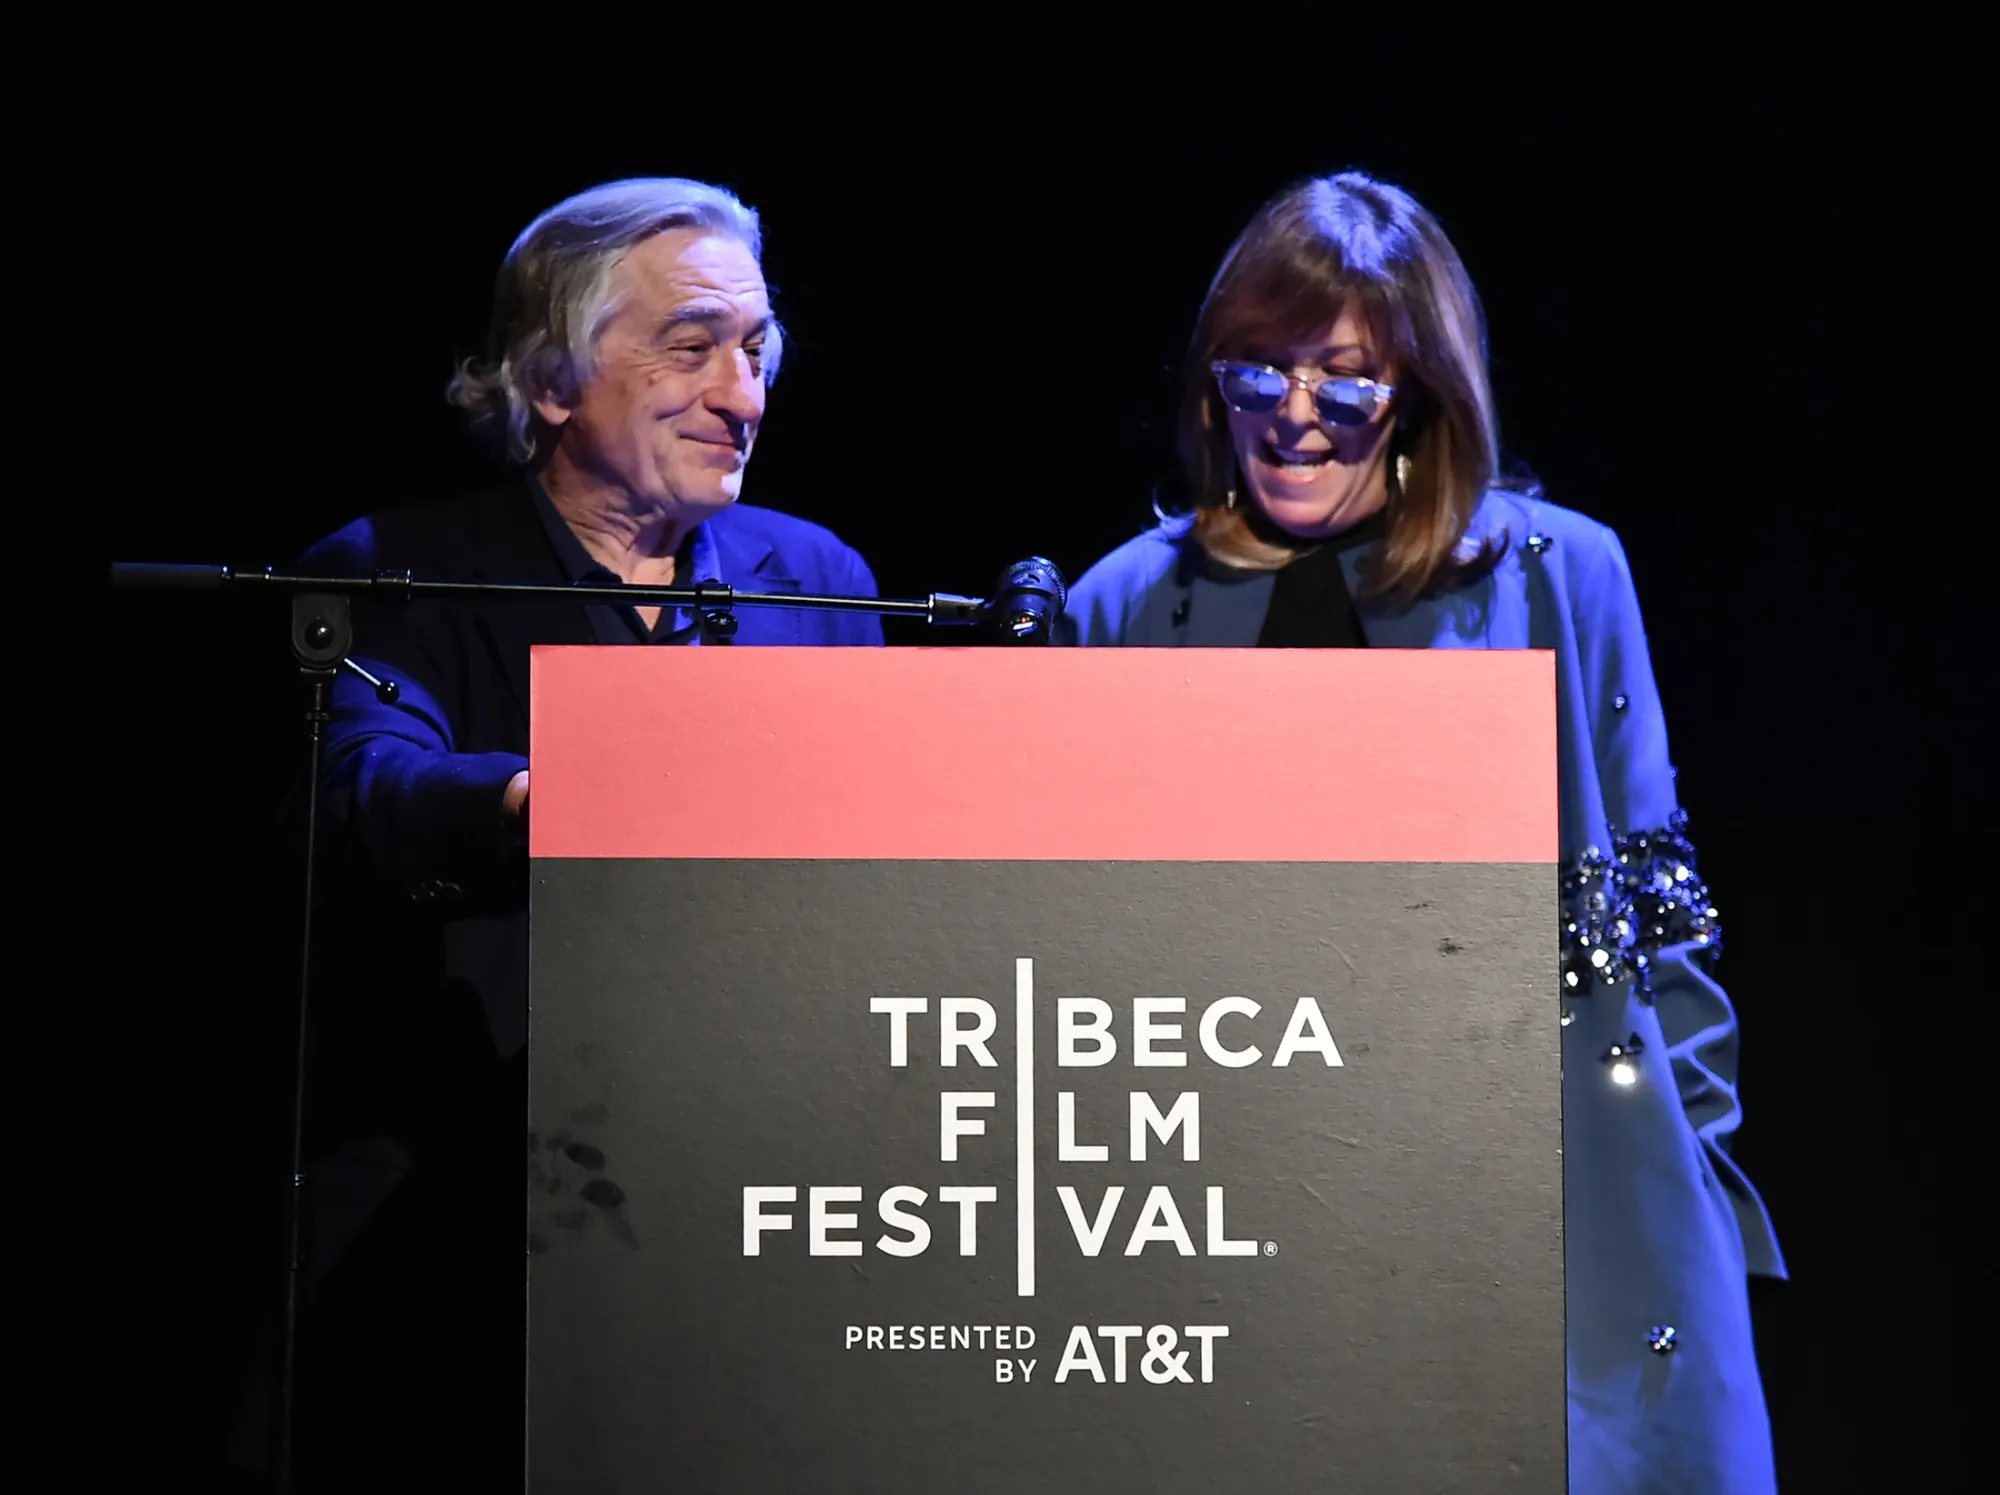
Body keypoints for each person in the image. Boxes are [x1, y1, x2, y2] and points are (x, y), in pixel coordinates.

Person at [1061, 171, 1784, 1493]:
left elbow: (1656, 891)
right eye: (1254, 373)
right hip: (1242, 1190)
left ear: (1420, 396)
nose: (1292, 419)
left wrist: (1706, 1170)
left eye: (1339, 383)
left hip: (1555, 1187)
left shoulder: (1564, 572)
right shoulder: (1122, 603)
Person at [246, 178, 882, 1489]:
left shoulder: (815, 579)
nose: (745, 396)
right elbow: (366, 790)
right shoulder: (397, 570)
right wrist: (562, 797)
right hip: (458, 1208)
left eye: (756, 352)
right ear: (548, 379)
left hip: (742, 1206)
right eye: (693, 344)